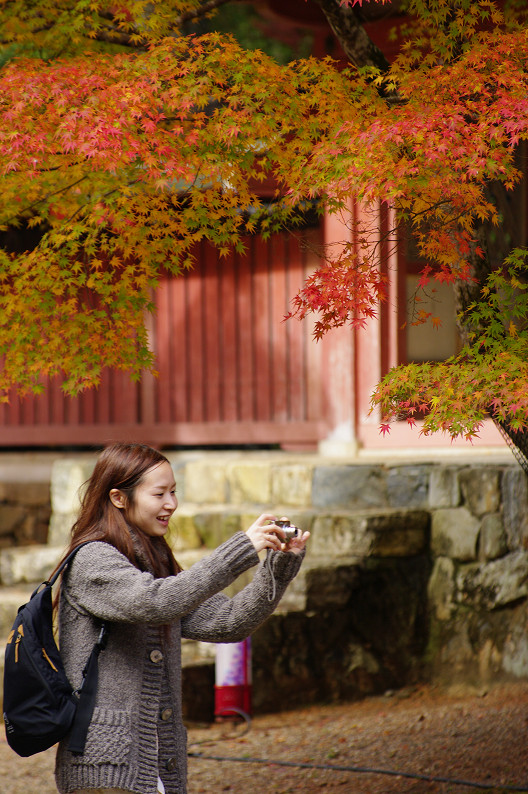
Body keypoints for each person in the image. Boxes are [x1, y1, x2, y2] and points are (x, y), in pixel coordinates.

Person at [53, 442, 309, 794]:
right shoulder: (93, 560)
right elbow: (155, 602)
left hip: (155, 764)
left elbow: (228, 621)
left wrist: (279, 567)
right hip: (104, 768)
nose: (171, 504)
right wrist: (239, 551)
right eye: (160, 494)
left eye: (173, 492)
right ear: (118, 498)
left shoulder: (153, 559)